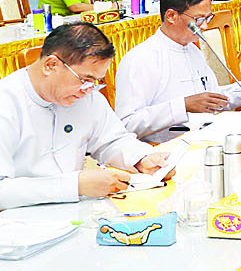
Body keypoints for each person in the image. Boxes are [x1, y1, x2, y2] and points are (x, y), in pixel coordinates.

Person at [0, 23, 170, 208]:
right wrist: (75, 185)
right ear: (51, 65)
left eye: (95, 82)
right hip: (20, 217)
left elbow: (112, 141)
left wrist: (142, 159)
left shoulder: (86, 97)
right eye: (84, 80)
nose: (88, 90)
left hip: (76, 209)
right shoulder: (7, 102)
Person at [114, 0, 231, 142]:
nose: (204, 26)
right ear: (171, 16)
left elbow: (213, 96)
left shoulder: (193, 50)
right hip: (165, 146)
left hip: (205, 135)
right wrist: (182, 106)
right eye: (198, 19)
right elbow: (128, 124)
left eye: (208, 18)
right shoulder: (140, 58)